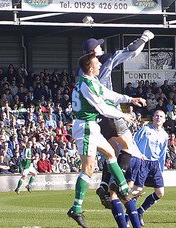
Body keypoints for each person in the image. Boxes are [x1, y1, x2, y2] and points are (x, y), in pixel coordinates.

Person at [67, 53, 142, 228]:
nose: (100, 65)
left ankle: (124, 189)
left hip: (90, 125)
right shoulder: (87, 84)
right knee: (88, 169)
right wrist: (123, 114)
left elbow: (109, 94)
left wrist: (130, 99)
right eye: (97, 63)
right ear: (91, 68)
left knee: (110, 154)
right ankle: (76, 208)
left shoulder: (88, 81)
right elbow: (103, 107)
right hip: (85, 126)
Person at [82, 31, 153, 209]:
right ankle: (119, 186)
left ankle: (104, 185)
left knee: (111, 152)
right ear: (95, 51)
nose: (101, 46)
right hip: (109, 113)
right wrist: (145, 37)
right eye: (99, 45)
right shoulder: (105, 59)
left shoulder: (82, 70)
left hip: (97, 118)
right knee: (128, 147)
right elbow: (133, 51)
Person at [123, 110, 168, 228]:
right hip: (142, 162)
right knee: (137, 191)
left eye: (161, 116)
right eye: (156, 116)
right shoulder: (145, 130)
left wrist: (161, 169)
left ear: (164, 119)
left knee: (160, 193)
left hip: (155, 164)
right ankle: (126, 218)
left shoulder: (165, 135)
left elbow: (163, 153)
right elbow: (133, 142)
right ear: (153, 118)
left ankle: (140, 212)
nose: (158, 118)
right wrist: (137, 155)